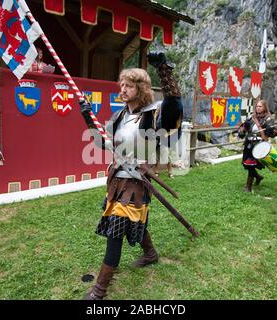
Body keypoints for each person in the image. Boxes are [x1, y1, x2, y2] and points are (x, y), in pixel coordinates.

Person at [79, 52, 183, 300]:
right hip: (117, 181)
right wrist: (87, 117)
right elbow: (103, 144)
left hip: (138, 182)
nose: (123, 89)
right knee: (131, 221)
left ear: (142, 88)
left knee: (116, 229)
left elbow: (175, 106)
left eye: (129, 85)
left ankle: (99, 289)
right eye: (122, 85)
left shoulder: (153, 114)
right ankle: (150, 254)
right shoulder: (119, 116)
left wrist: (164, 71)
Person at [237, 100, 277, 192]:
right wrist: (241, 130)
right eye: (257, 106)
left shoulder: (268, 119)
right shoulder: (252, 117)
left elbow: (268, 135)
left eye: (260, 106)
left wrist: (262, 126)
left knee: (251, 165)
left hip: (259, 145)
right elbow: (245, 127)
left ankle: (248, 187)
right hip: (249, 144)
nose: (258, 108)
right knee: (246, 164)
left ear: (264, 107)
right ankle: (258, 177)